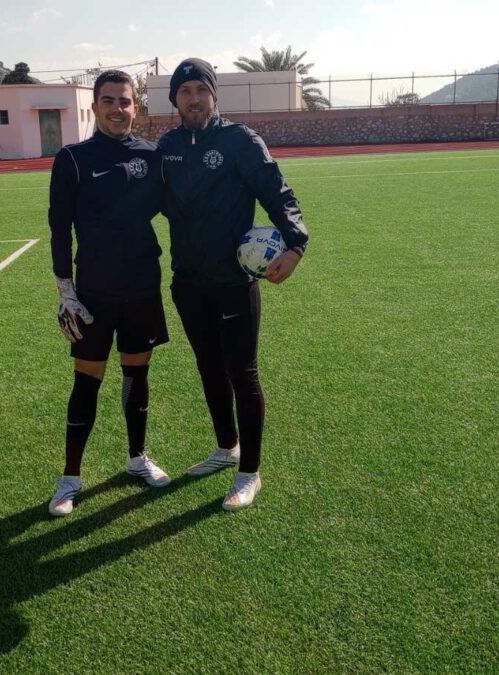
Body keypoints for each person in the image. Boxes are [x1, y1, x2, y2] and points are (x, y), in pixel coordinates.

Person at [158, 58, 309, 511]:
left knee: (242, 373)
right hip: (188, 282)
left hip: (233, 282)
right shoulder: (167, 147)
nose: (193, 99)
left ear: (213, 95)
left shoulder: (240, 141)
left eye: (200, 90)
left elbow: (278, 192)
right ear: (175, 100)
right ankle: (227, 447)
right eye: (185, 91)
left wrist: (296, 245)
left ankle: (250, 473)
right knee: (208, 367)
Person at [46, 70, 171, 517]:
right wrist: (66, 291)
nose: (118, 109)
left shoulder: (152, 156)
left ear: (136, 106)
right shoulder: (73, 159)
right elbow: (59, 230)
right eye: (109, 101)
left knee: (137, 376)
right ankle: (70, 478)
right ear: (95, 106)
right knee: (87, 381)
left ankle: (137, 458)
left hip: (142, 286)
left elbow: (182, 208)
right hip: (93, 293)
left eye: (125, 101)